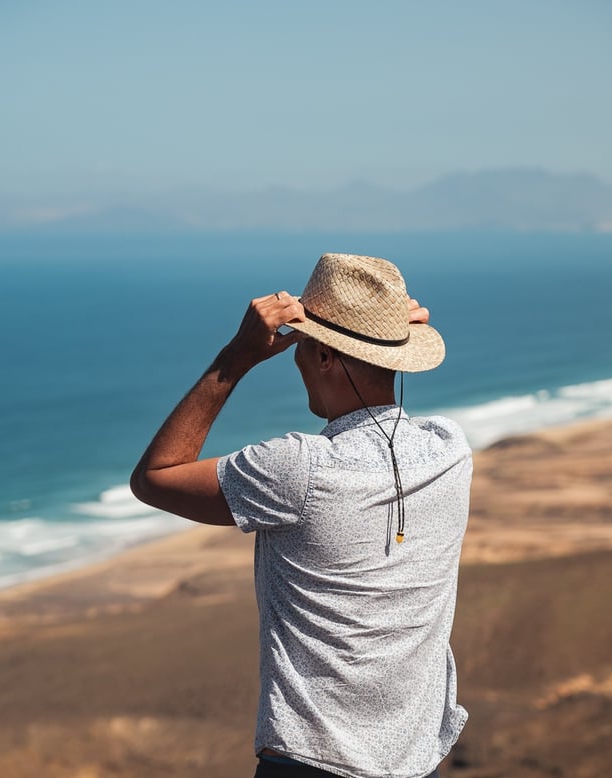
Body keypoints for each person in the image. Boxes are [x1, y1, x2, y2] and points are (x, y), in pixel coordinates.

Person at [131, 253, 472, 778]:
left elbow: (156, 477)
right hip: (413, 760)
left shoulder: (298, 470)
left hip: (314, 764)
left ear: (326, 359)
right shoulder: (450, 449)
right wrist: (387, 334)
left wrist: (236, 358)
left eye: (304, 346)